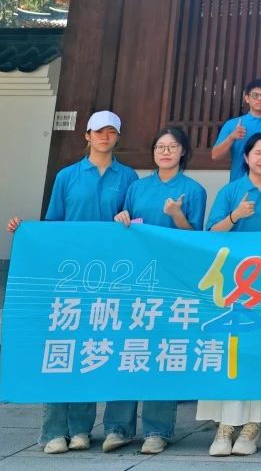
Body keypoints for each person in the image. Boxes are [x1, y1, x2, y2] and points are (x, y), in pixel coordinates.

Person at [6, 110, 137, 456]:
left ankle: (80, 428)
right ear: (87, 136)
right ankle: (52, 431)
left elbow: (134, 224)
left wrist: (126, 220)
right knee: (62, 349)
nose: (104, 137)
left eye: (111, 132)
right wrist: (24, 231)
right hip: (70, 276)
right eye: (99, 132)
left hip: (111, 276)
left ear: (118, 137)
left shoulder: (128, 177)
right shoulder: (67, 176)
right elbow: (52, 225)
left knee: (92, 349)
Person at [103, 127, 207, 455]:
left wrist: (176, 215)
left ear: (182, 152)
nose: (165, 152)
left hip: (171, 281)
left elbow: (195, 238)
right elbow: (125, 225)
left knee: (164, 351)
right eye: (160, 146)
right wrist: (121, 217)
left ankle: (157, 430)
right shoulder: (136, 187)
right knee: (127, 349)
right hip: (135, 279)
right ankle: (117, 426)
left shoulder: (193, 189)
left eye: (172, 147)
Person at [200, 132, 261, 456]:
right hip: (231, 286)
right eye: (257, 152)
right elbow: (211, 234)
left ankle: (254, 426)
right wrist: (234, 217)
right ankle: (224, 427)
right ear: (246, 157)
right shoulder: (230, 192)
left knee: (260, 353)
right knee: (230, 353)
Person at [211, 79, 261, 181]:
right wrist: (231, 137)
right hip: (239, 183)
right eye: (255, 95)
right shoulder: (232, 124)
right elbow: (215, 156)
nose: (259, 98)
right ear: (247, 98)